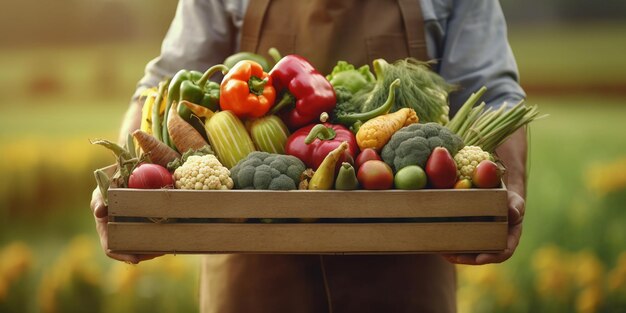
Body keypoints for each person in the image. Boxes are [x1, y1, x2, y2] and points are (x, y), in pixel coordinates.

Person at [90, 0, 527, 312]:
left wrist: (511, 190)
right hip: (251, 266)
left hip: (406, 265)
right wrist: (126, 183)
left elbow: (494, 92)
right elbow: (163, 83)